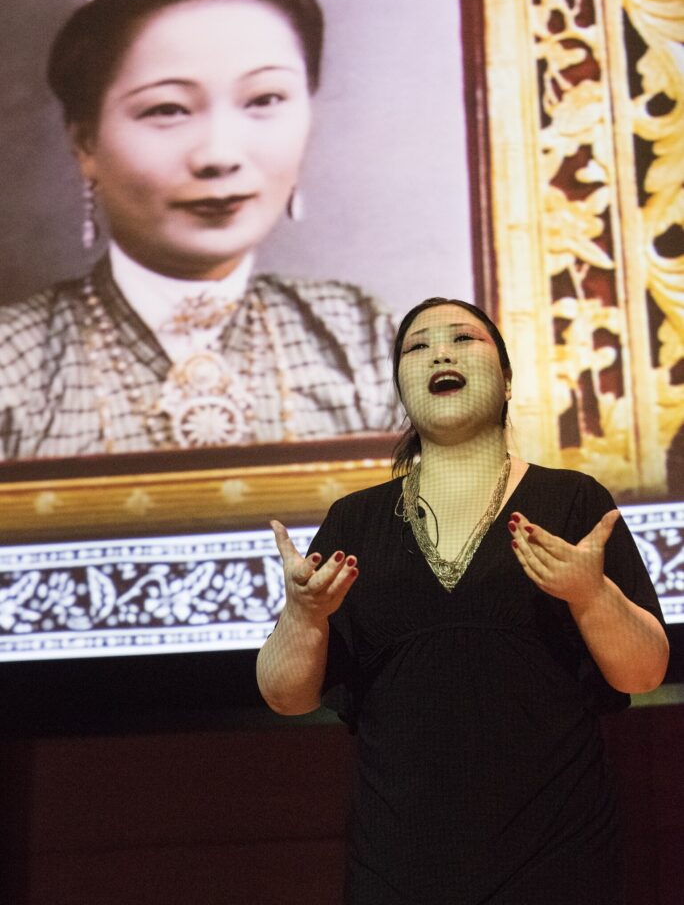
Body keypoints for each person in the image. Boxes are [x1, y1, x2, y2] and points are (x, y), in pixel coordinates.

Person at [257, 297, 670, 905]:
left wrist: (589, 594)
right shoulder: (355, 521)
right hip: (399, 858)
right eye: (417, 346)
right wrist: (303, 614)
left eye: (463, 340)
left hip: (556, 851)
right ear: (401, 386)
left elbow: (645, 669)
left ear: (506, 381)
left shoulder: (572, 501)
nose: (440, 353)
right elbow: (285, 696)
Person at [0, 0, 400, 459]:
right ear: (85, 141)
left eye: (264, 99)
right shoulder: (14, 364)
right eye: (167, 109)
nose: (219, 155)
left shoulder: (362, 340)